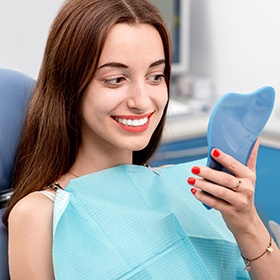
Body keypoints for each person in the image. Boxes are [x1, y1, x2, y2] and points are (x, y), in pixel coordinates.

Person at [2, 0, 279, 279]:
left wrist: (248, 224)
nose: (142, 101)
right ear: (69, 86)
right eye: (115, 79)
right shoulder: (40, 215)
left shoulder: (193, 188)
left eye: (155, 76)